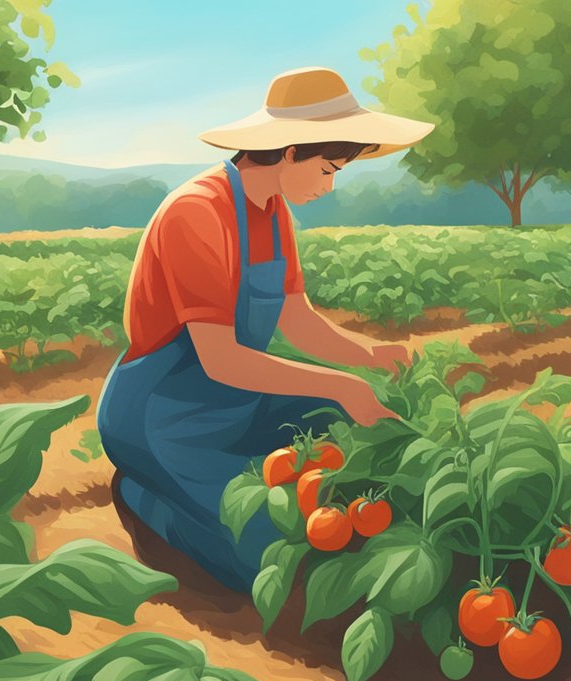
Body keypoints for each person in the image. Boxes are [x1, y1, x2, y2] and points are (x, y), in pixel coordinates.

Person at [97, 66, 436, 592]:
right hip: (162, 415)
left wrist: (370, 355)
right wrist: (343, 384)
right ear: (288, 151)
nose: (330, 185)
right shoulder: (196, 212)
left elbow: (296, 319)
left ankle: (192, 485)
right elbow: (221, 359)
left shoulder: (273, 212)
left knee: (352, 443)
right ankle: (143, 493)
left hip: (239, 398)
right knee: (269, 551)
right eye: (327, 169)